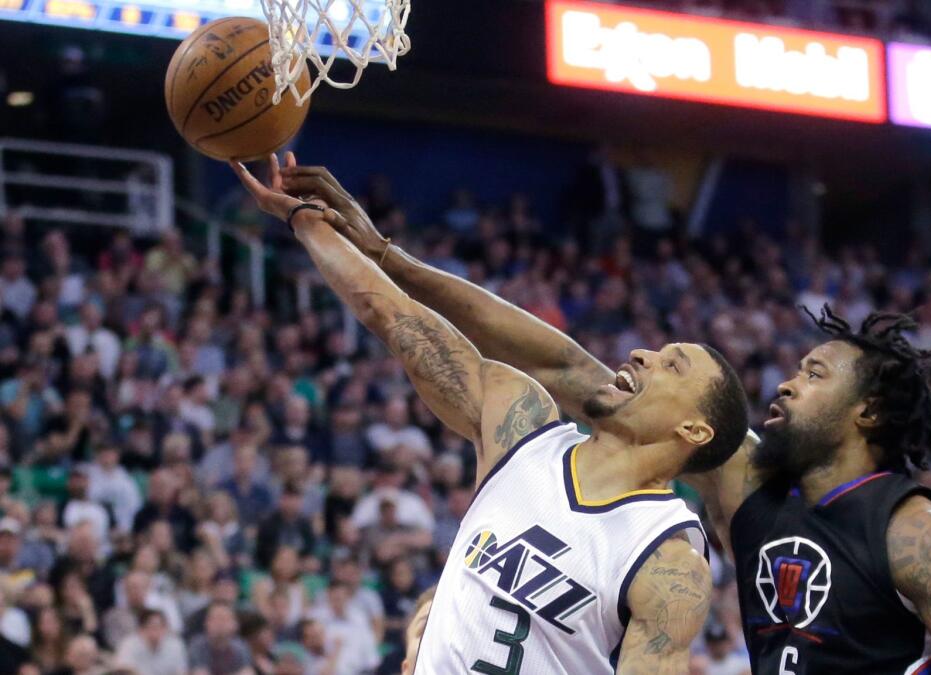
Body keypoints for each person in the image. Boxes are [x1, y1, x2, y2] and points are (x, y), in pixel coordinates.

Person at [276, 162, 931, 673]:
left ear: (865, 410)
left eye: (812, 374)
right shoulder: (744, 478)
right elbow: (566, 365)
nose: (784, 385)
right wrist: (386, 254)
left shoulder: (920, 534)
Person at [233, 155, 750, 673]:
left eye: (672, 365)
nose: (643, 355)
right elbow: (393, 316)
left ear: (694, 429)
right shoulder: (521, 425)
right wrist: (308, 223)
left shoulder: (667, 560)